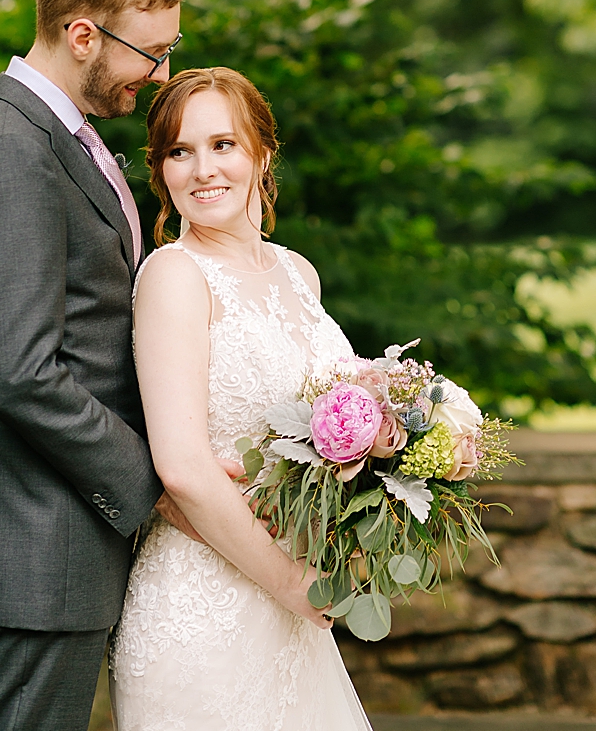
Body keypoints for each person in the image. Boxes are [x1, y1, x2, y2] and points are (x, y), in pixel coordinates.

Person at [0, 0, 195, 731]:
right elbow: (22, 372)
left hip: (64, 537)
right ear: (83, 34)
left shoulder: (65, 138)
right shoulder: (11, 151)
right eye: (150, 53)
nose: (159, 75)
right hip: (35, 547)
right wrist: (154, 483)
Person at [110, 66, 371, 729]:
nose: (203, 170)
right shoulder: (174, 276)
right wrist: (291, 583)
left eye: (223, 145)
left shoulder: (297, 272)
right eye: (180, 151)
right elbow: (182, 468)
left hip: (298, 612)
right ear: (161, 170)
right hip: (206, 610)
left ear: (262, 152)